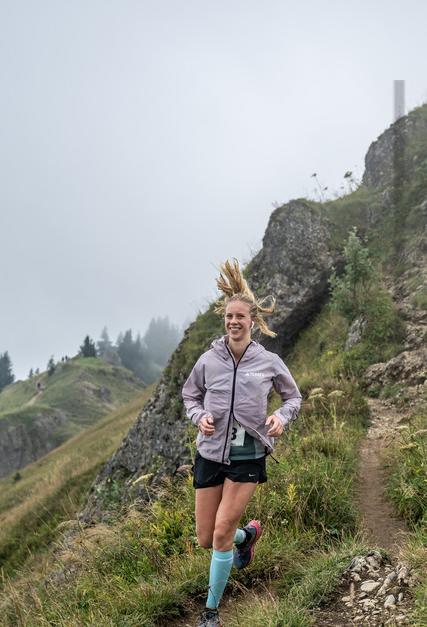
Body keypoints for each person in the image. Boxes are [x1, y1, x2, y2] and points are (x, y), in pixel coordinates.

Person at [182, 259, 302, 627]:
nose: (234, 322)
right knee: (207, 537)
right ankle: (246, 537)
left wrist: (280, 418)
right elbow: (190, 395)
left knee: (220, 532)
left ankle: (211, 613)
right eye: (229, 316)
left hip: (248, 454)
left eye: (240, 317)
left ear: (252, 321)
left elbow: (293, 398)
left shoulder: (268, 361)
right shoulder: (208, 360)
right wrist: (198, 416)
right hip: (210, 454)